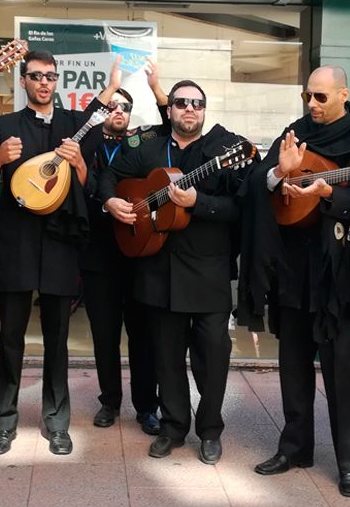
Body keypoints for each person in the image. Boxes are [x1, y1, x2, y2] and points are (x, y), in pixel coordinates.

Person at [240, 66, 350, 496]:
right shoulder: (295, 132)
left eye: (322, 97)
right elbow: (259, 183)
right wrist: (278, 173)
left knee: (342, 369)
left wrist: (328, 194)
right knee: (292, 363)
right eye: (308, 96)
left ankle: (349, 463)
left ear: (344, 94)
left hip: (339, 269)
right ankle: (294, 448)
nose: (313, 104)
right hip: (292, 267)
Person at [101, 80, 254, 464]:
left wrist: (199, 202)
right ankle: (172, 428)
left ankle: (210, 430)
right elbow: (109, 174)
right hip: (157, 269)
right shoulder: (148, 146)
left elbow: (241, 207)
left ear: (204, 110)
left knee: (213, 356)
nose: (190, 109)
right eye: (182, 102)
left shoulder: (224, 149)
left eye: (197, 103)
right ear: (168, 109)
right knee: (165, 357)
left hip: (209, 271)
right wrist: (112, 201)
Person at [0, 50, 120, 456]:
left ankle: (57, 421)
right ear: (23, 81)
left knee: (57, 338)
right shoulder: (5, 125)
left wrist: (79, 164)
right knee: (10, 338)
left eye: (50, 76)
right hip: (16, 242)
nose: (44, 82)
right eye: (35, 76)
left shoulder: (74, 125)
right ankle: (5, 420)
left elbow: (87, 182)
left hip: (60, 243)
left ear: (57, 82)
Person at [85, 63, 168, 436]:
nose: (118, 112)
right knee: (104, 335)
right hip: (99, 257)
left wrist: (158, 90)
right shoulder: (87, 146)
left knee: (144, 337)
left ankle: (146, 407)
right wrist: (110, 87)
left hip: (138, 257)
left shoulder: (144, 143)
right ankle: (109, 401)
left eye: (124, 107)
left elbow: (176, 128)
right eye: (111, 106)